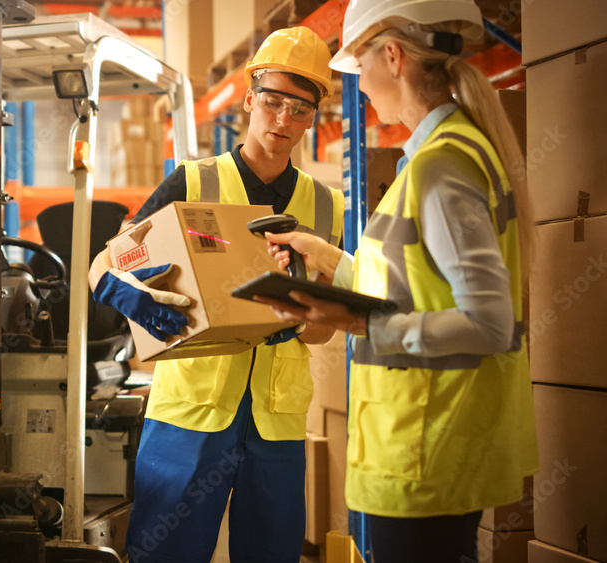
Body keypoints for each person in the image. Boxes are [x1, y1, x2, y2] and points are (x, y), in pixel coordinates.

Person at [261, 1, 538, 561]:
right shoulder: (445, 154)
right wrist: (324, 257)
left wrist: (359, 321)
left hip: (425, 449)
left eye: (359, 65)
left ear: (392, 57)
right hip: (425, 442)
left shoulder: (442, 166)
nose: (358, 85)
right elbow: (412, 283)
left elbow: (488, 322)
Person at [88, 27, 344, 562]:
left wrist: (297, 316)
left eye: (300, 110)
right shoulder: (192, 182)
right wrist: (127, 293)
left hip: (275, 422)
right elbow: (103, 263)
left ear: (313, 116)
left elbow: (323, 331)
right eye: (272, 102)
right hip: (189, 417)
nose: (283, 121)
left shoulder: (325, 206)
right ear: (250, 98)